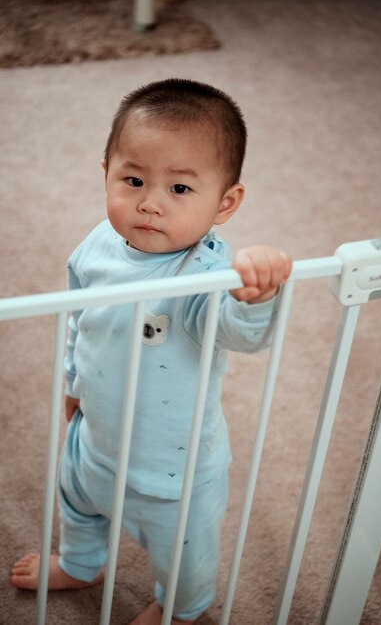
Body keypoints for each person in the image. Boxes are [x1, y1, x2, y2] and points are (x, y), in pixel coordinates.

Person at [11, 78, 292, 625]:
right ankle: (81, 562)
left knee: (183, 555)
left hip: (172, 473)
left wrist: (254, 297)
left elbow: (238, 333)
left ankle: (181, 609)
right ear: (106, 174)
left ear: (226, 202)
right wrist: (73, 385)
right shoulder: (96, 245)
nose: (149, 204)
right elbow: (80, 319)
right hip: (94, 437)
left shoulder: (206, 275)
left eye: (180, 190)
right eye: (134, 179)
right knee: (79, 506)